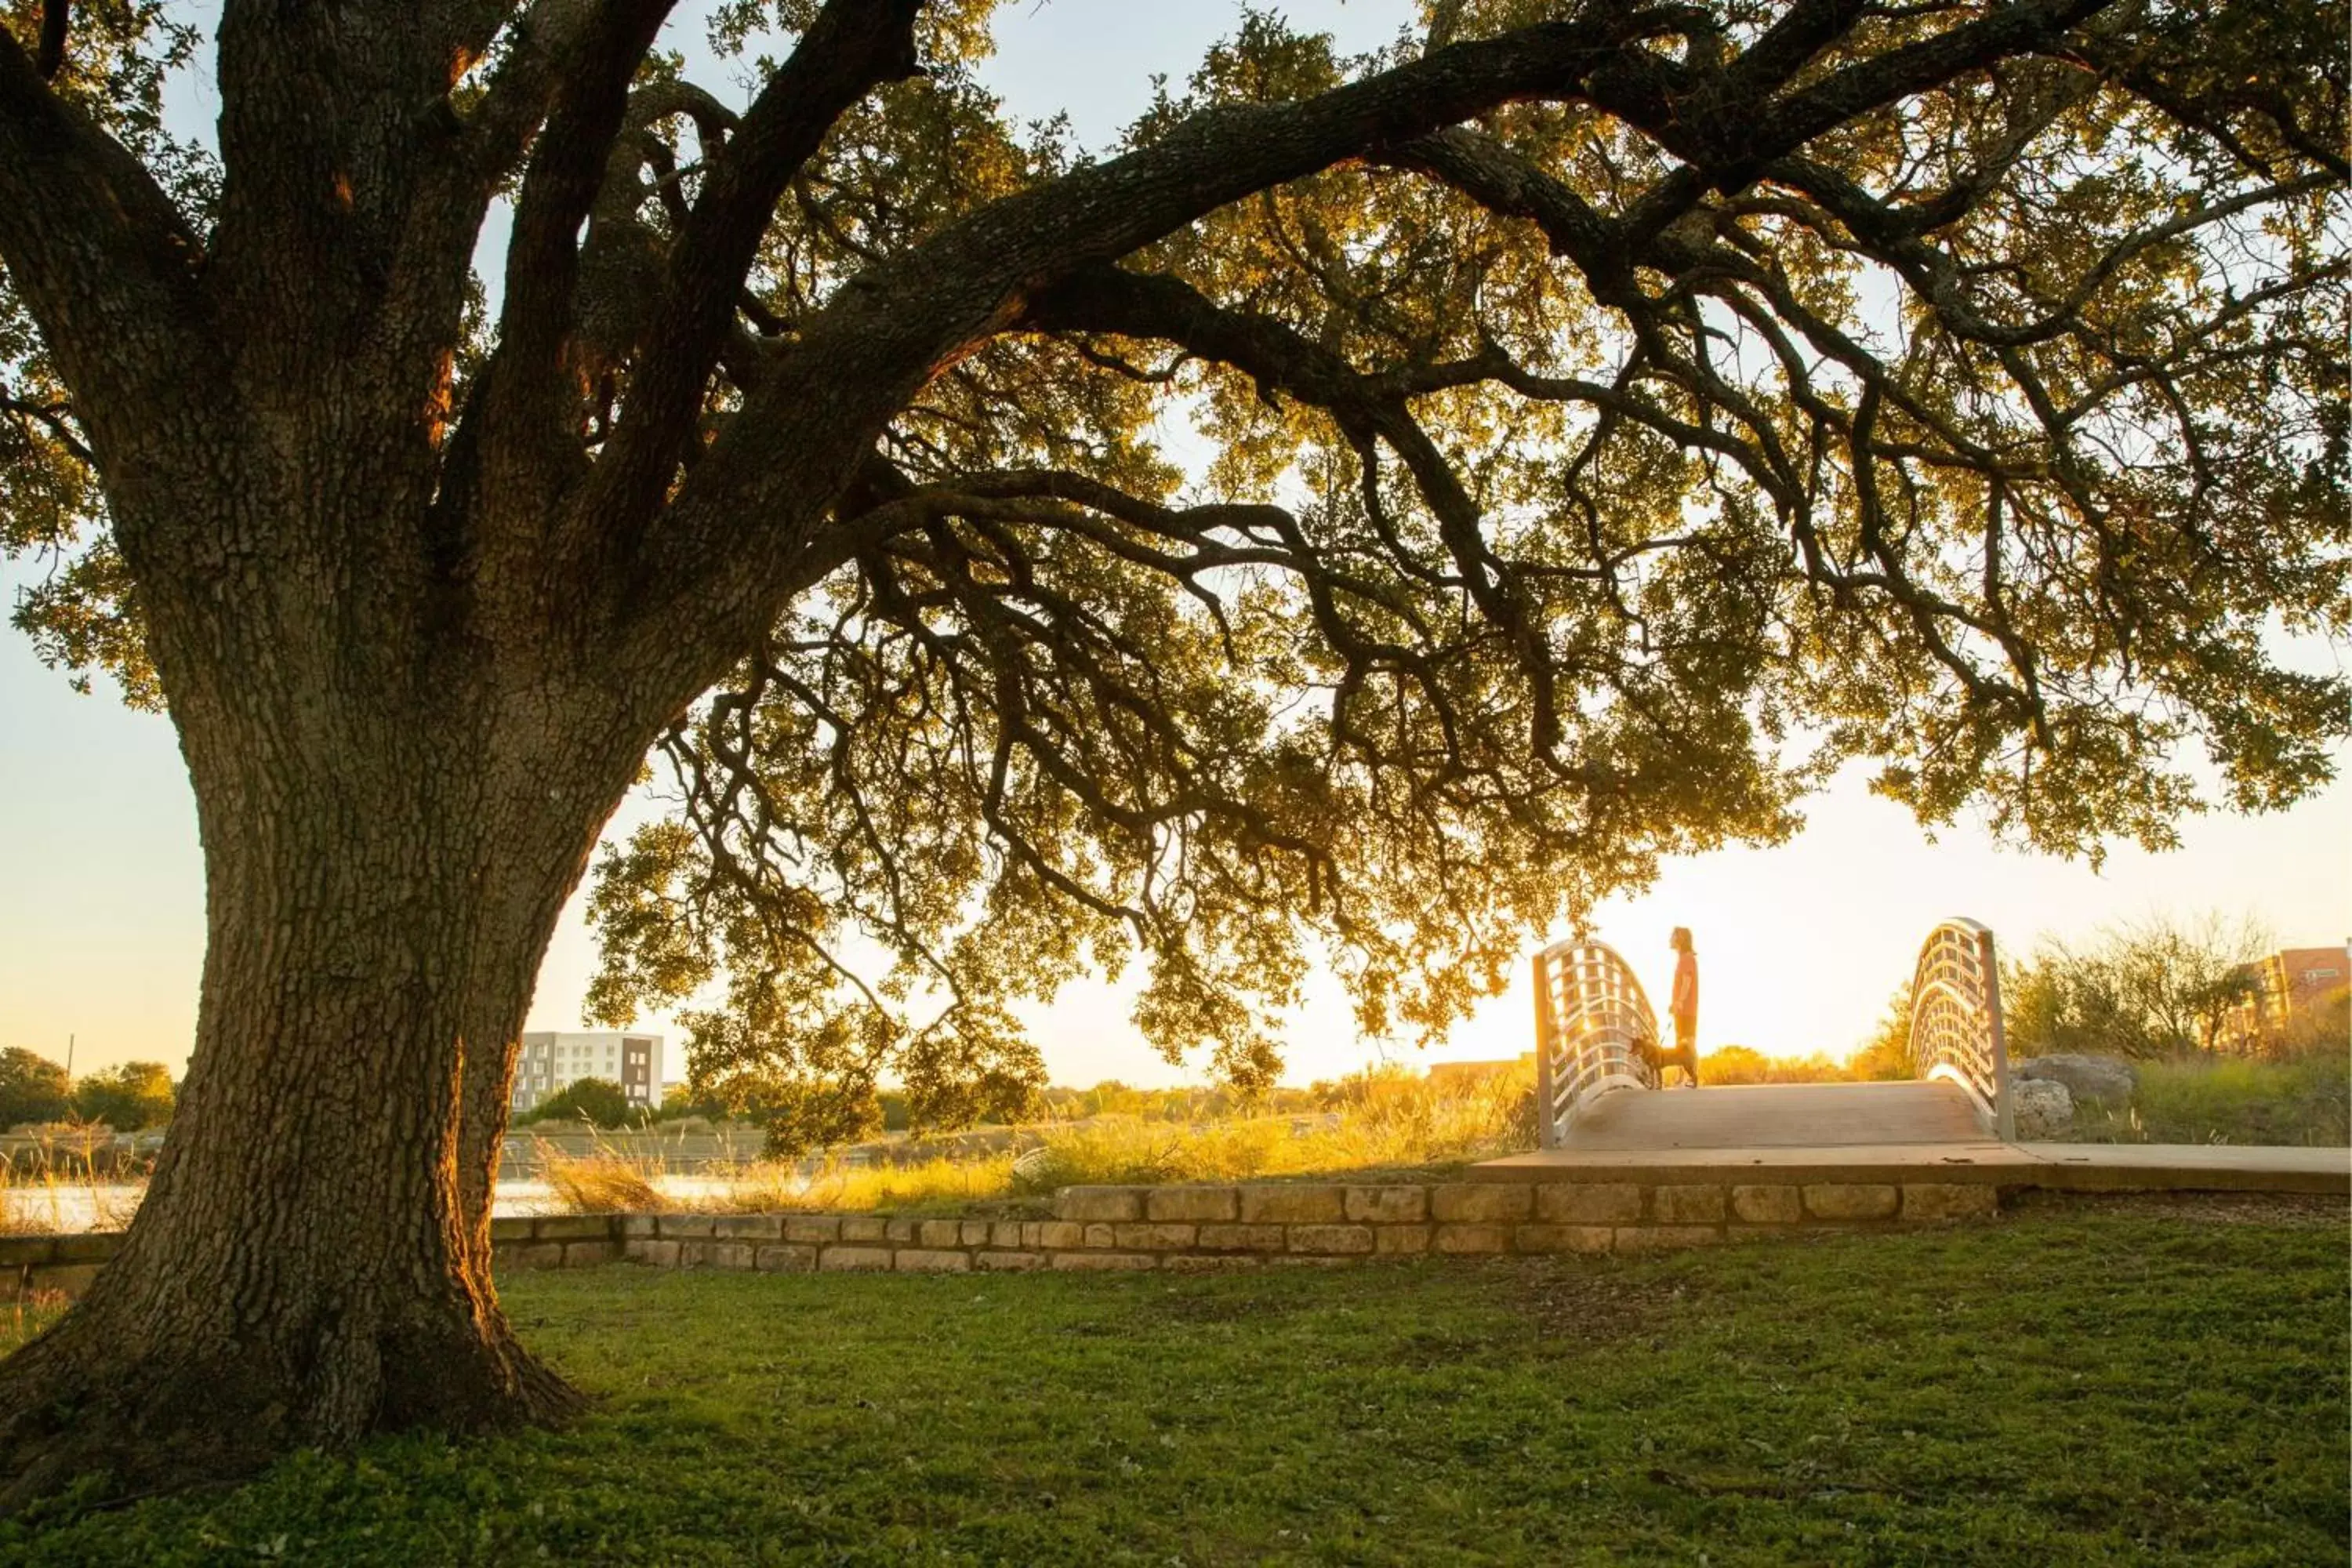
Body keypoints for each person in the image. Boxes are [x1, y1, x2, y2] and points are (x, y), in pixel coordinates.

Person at [1666, 927, 1700, 1087]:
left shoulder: (1686, 958)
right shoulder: (1684, 958)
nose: (1669, 939)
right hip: (1684, 1007)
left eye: (1672, 936)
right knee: (1681, 1043)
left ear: (1680, 939)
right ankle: (1683, 1077)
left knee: (1688, 1042)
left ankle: (1693, 1077)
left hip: (1686, 1008)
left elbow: (1687, 981)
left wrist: (1679, 1001)